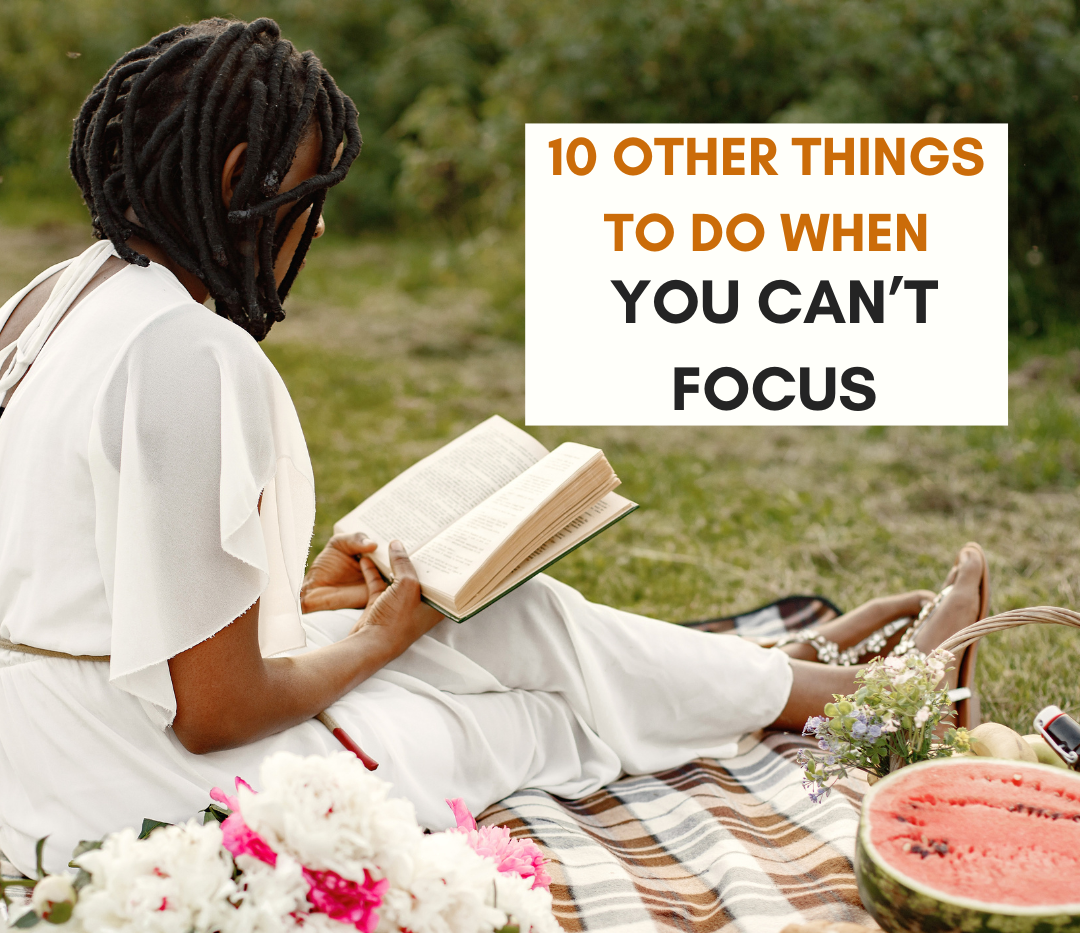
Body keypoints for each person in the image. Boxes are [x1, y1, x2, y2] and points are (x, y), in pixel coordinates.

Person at [0, 18, 986, 876]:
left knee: (504, 623)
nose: (320, 219)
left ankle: (805, 683)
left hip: (47, 743)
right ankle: (846, 701)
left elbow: (83, 588)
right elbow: (213, 711)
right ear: (231, 177)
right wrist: (389, 632)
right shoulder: (189, 353)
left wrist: (298, 593)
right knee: (538, 719)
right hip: (133, 776)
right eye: (304, 192)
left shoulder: (48, 301)